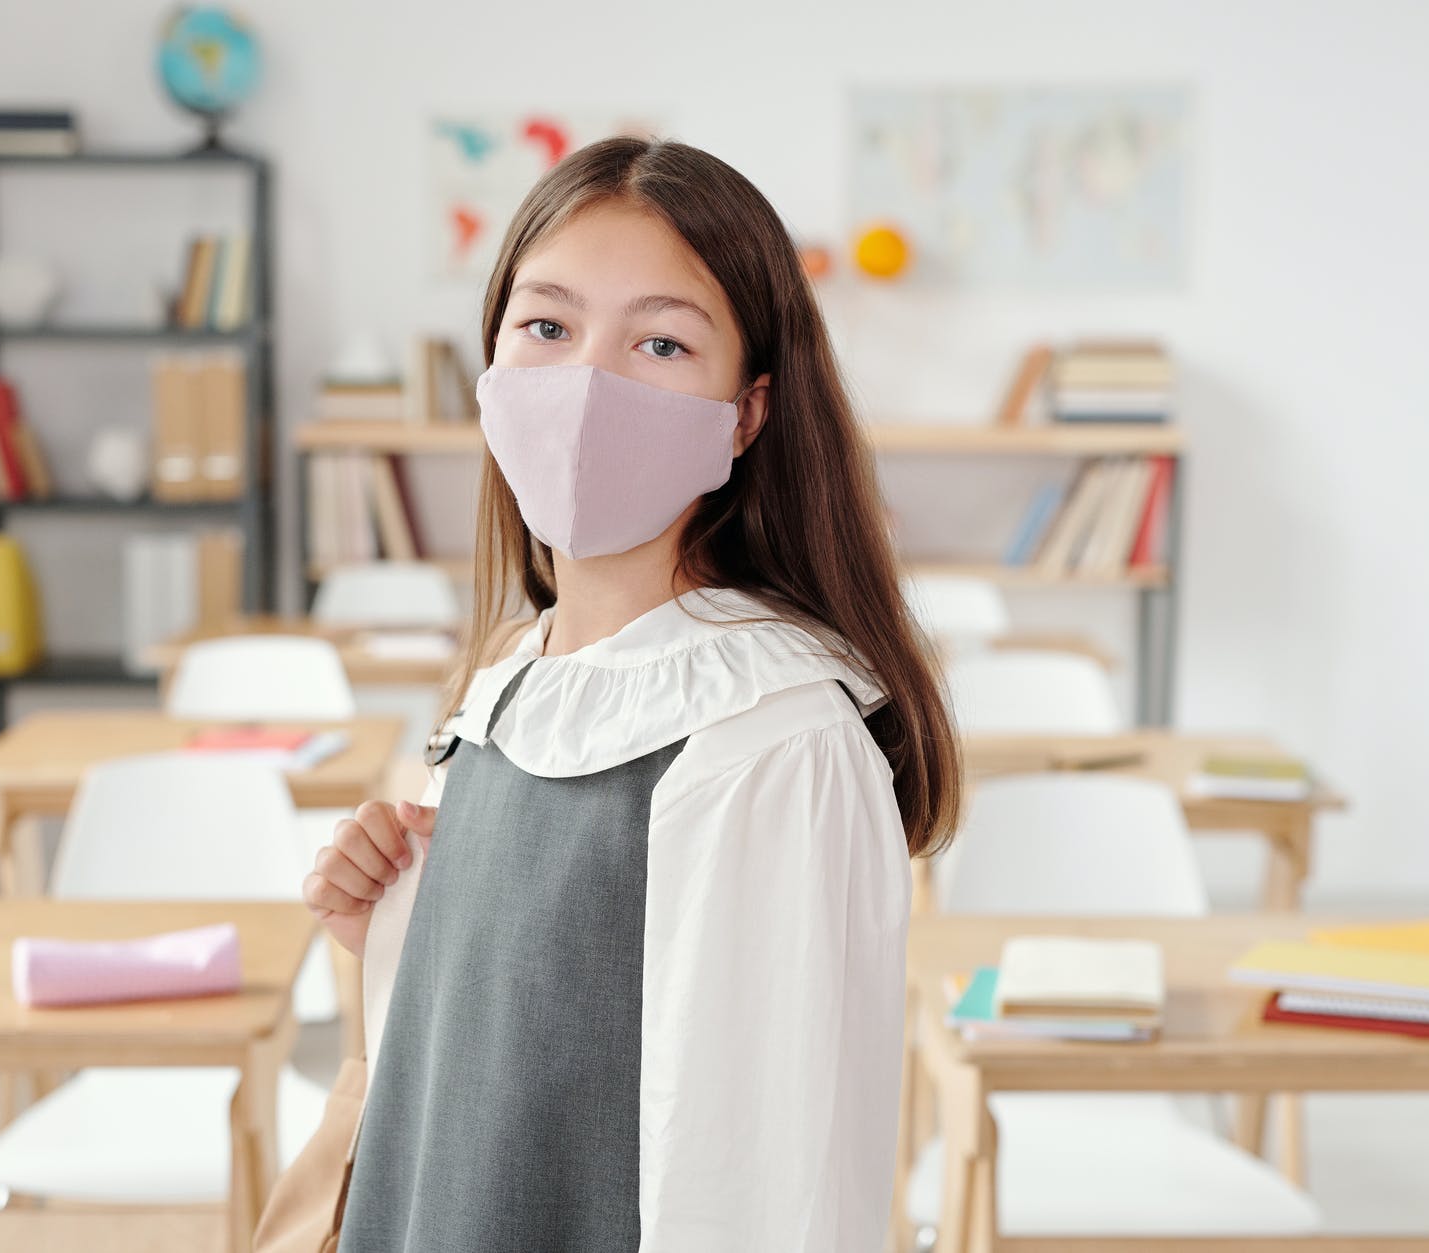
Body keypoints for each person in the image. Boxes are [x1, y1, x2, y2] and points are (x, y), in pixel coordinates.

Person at [303, 134, 961, 1252]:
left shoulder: (771, 734)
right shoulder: (510, 680)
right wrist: (390, 922)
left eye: (659, 342)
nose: (586, 386)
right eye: (546, 327)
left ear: (746, 413)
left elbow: (760, 1187)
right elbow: (491, 1074)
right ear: (491, 361)